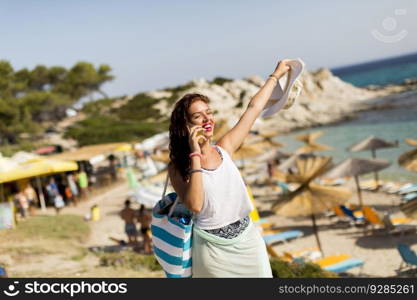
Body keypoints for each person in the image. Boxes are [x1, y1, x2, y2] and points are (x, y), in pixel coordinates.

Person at [168, 60, 291, 277]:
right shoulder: (178, 167)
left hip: (248, 241)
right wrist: (195, 152)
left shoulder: (225, 148)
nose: (208, 119)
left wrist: (276, 75)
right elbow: (195, 205)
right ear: (186, 125)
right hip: (213, 250)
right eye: (198, 116)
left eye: (209, 112)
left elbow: (253, 108)